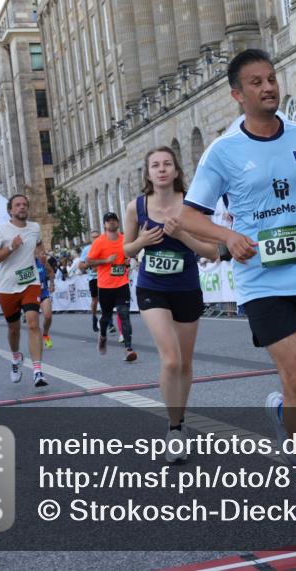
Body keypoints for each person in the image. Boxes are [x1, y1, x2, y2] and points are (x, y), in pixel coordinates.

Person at [177, 48, 296, 526]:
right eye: (256, 82)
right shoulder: (223, 152)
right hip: (262, 281)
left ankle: (282, 413)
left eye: (271, 79)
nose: (268, 87)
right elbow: (187, 215)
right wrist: (228, 237)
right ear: (237, 95)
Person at [124, 145, 220, 461]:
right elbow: (126, 250)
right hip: (152, 288)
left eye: (167, 164)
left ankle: (179, 419)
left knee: (185, 363)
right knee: (170, 360)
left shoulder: (192, 206)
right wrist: (142, 242)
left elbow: (212, 252)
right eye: (155, 165)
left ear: (176, 171)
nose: (162, 169)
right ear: (148, 173)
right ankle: (175, 427)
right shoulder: (135, 207)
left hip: (187, 288)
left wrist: (183, 237)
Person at [0, 193, 48, 387]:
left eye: (25, 204)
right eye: (18, 205)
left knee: (32, 323)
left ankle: (37, 370)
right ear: (10, 210)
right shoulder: (0, 231)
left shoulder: (35, 228)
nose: (22, 207)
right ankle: (16, 357)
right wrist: (11, 248)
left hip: (30, 282)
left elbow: (38, 243)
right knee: (13, 329)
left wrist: (41, 254)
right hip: (7, 287)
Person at [88, 212, 136, 361]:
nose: (112, 223)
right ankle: (102, 335)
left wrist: (129, 261)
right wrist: (106, 260)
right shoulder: (99, 242)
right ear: (104, 225)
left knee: (124, 315)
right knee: (106, 317)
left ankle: (128, 349)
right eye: (108, 221)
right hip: (105, 286)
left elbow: (131, 255)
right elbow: (89, 262)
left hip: (122, 284)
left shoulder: (124, 239)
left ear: (118, 223)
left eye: (114, 220)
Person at [78, 230, 106, 333]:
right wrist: (90, 265)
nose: (95, 239)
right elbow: (80, 265)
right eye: (93, 237)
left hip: (104, 277)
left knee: (105, 299)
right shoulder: (87, 249)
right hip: (93, 278)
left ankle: (108, 321)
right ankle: (94, 318)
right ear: (91, 239)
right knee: (95, 301)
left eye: (97, 237)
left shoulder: (104, 247)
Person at [36, 250, 55, 350]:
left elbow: (51, 271)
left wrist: (52, 283)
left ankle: (45, 334)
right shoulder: (25, 263)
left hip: (43, 292)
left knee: (48, 316)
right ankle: (36, 341)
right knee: (33, 322)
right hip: (31, 295)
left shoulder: (42, 261)